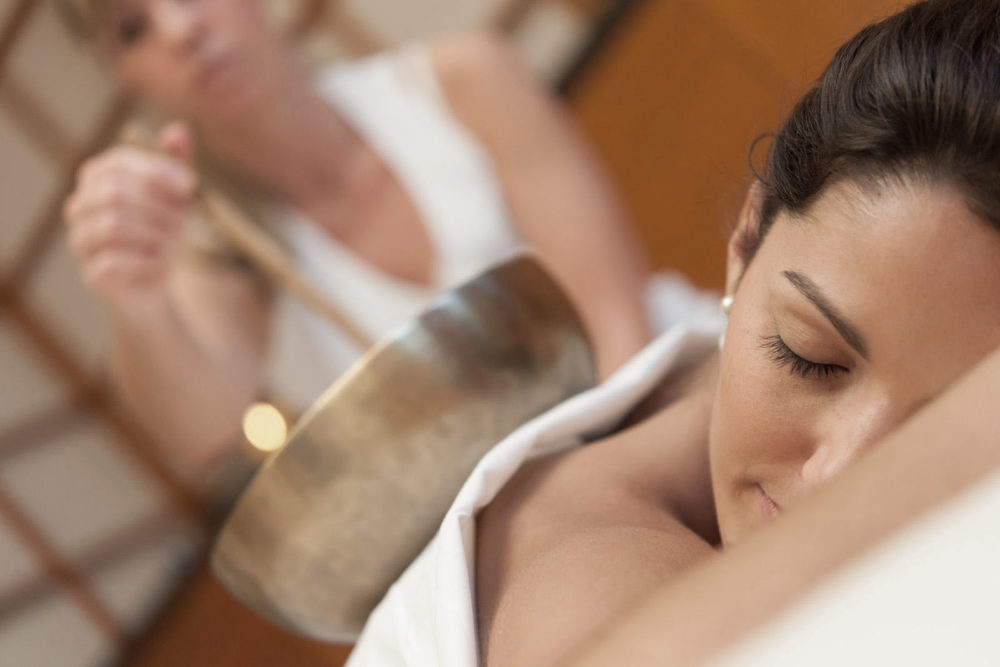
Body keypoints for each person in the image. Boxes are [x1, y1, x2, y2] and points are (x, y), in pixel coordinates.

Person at [340, 1, 1000, 664]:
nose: (835, 475)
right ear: (745, 245)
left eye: (928, 429)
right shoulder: (587, 571)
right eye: (810, 358)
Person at [57, 0, 656, 482]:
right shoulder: (222, 252)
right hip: (522, 527)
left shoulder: (463, 80)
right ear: (122, 74)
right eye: (133, 29)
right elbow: (200, 433)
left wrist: (607, 487)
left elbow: (615, 321)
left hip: (652, 404)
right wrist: (134, 299)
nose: (180, 29)